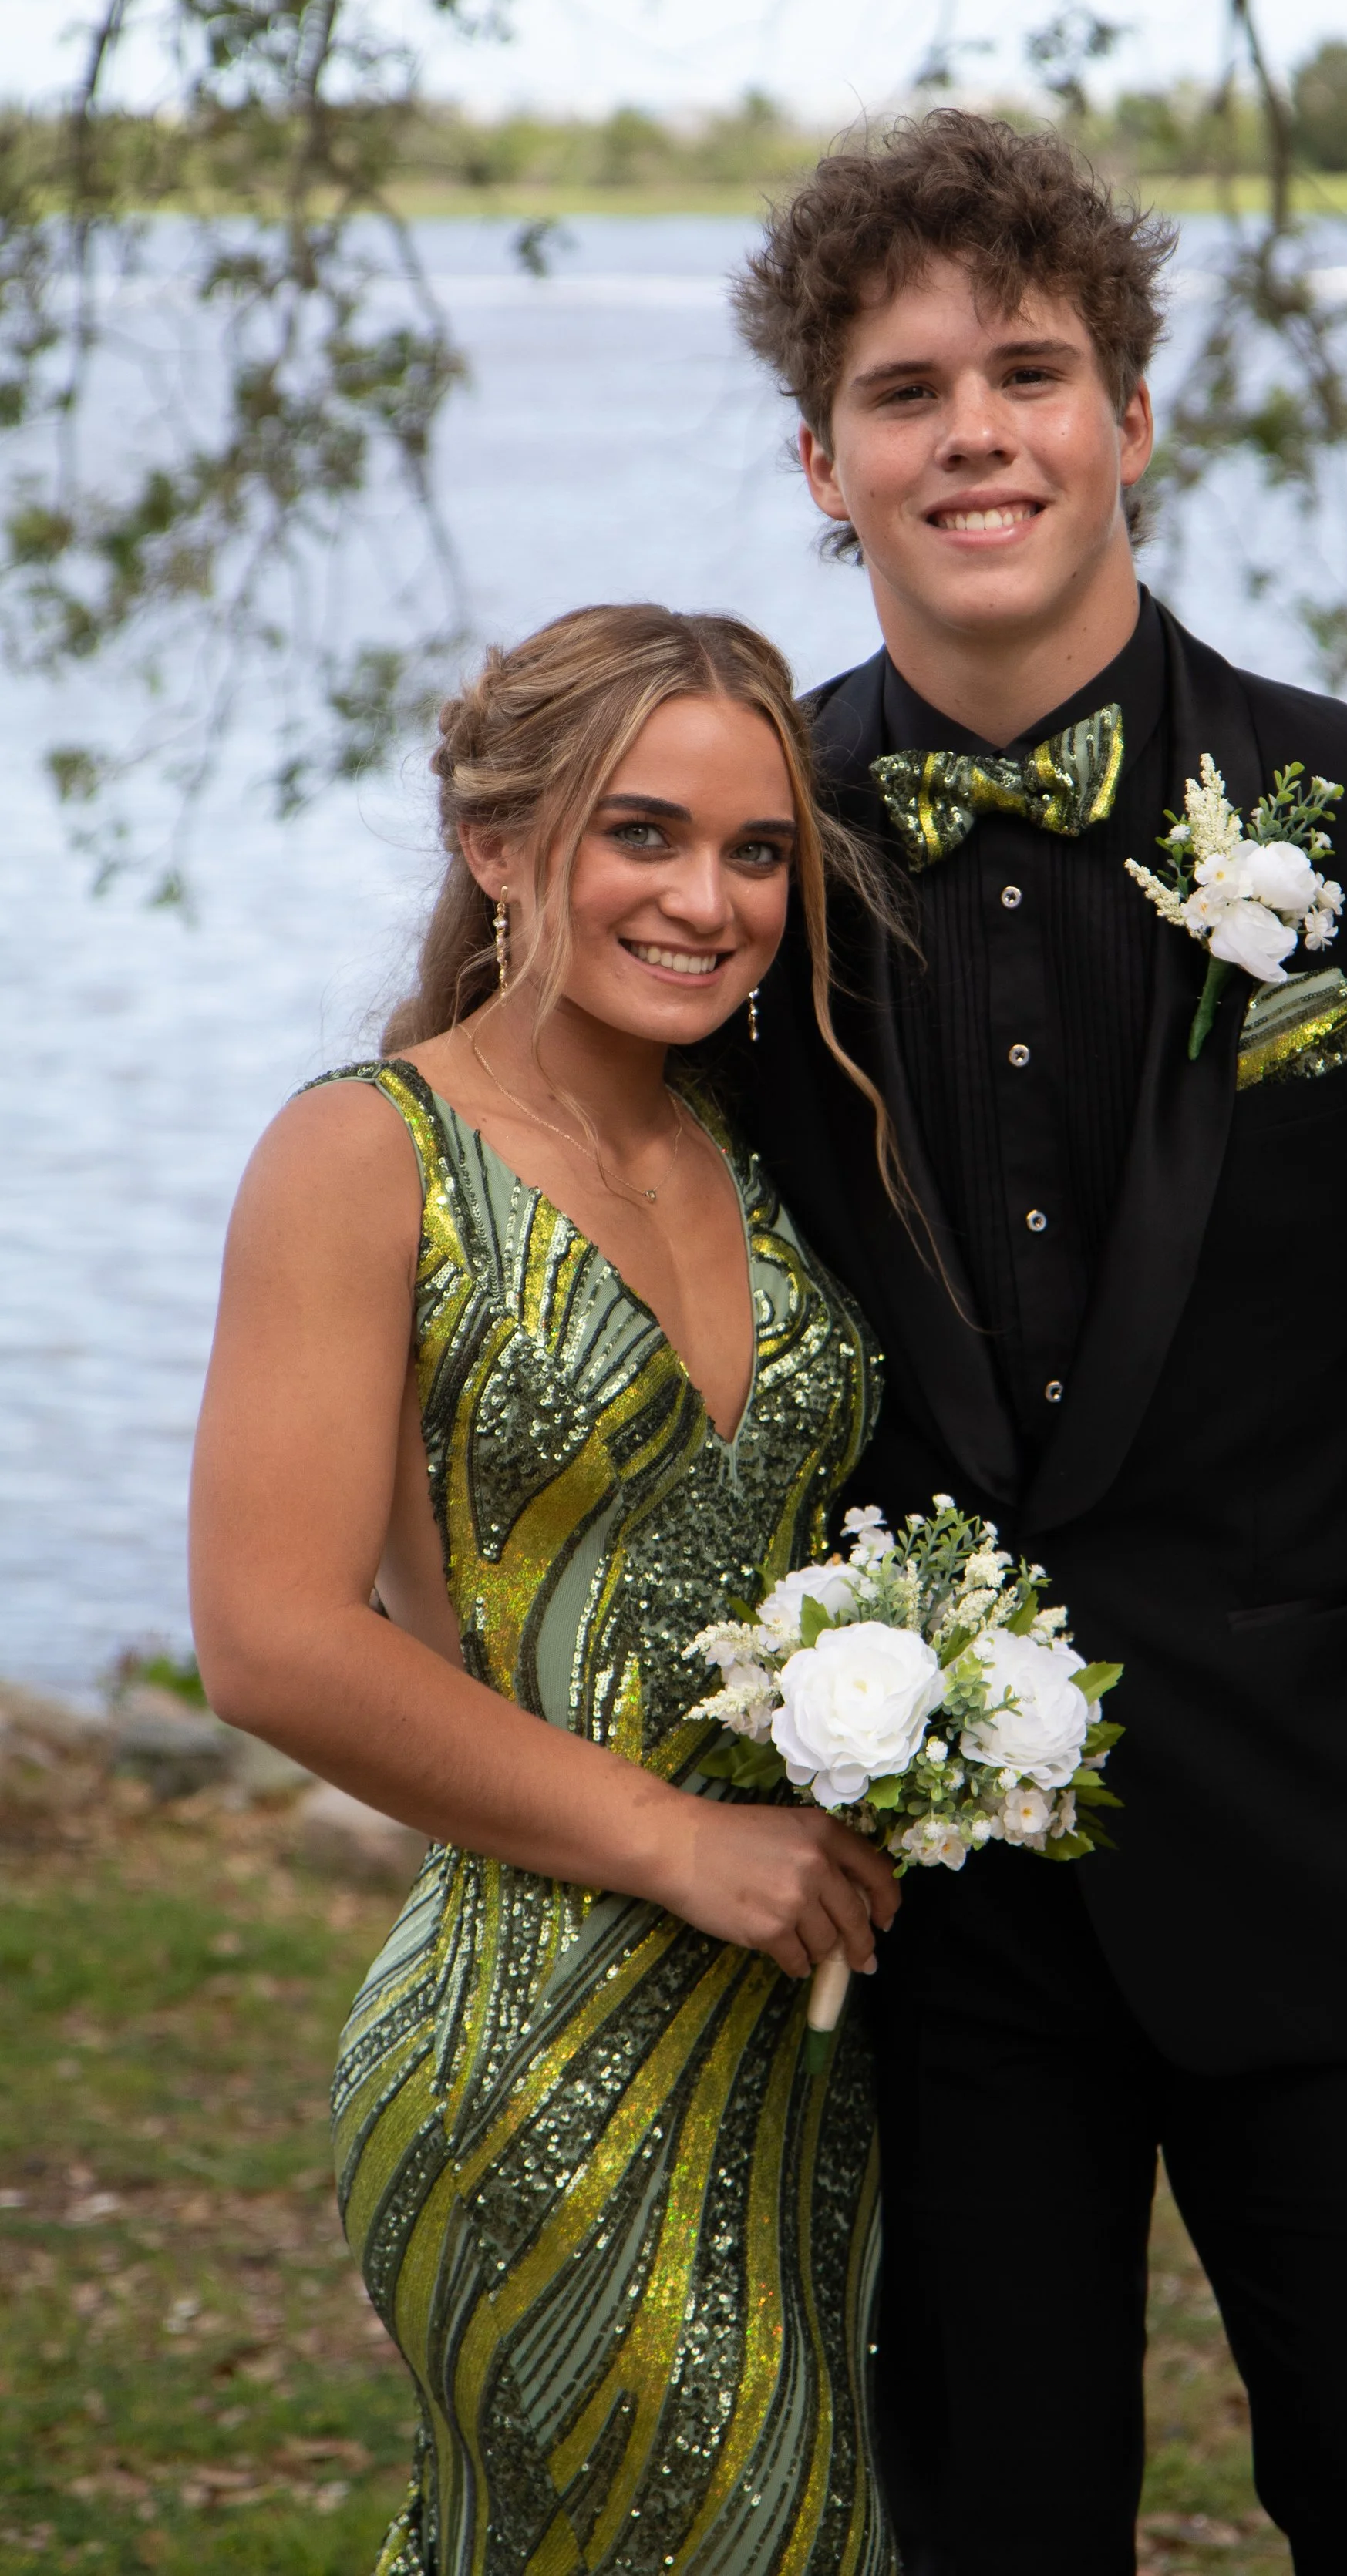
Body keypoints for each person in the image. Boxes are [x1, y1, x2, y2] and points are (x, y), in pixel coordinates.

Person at [731, 109, 1347, 2576]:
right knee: (988, 2527)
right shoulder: (731, 852)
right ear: (823, 458)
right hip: (912, 1914)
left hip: (1344, 1869)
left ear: (1131, 413)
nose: (976, 430)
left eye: (1030, 369)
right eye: (904, 389)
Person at [189, 606, 907, 2576]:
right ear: (499, 848)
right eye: (642, 835)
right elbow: (269, 1639)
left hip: (809, 2040)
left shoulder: (757, 1149)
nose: (708, 900)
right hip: (530, 2046)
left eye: (756, 853)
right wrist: (682, 1843)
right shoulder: (366, 1153)